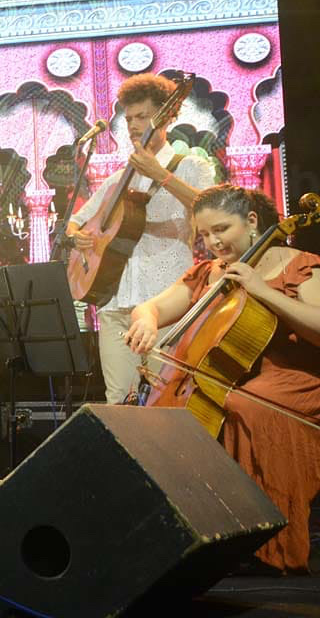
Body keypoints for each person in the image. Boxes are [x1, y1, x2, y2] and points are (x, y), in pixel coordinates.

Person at [124, 184, 320, 574]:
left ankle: (262, 542)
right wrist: (145, 321)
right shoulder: (210, 273)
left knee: (244, 404)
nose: (213, 242)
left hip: (293, 382)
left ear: (252, 221)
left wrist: (262, 290)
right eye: (204, 234)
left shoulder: (299, 265)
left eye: (221, 229)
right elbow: (152, 307)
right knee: (160, 419)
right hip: (232, 381)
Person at [65, 73, 215, 403]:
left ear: (167, 116)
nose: (133, 125)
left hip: (165, 303)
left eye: (142, 117)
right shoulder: (118, 179)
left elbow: (212, 209)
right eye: (129, 118)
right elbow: (74, 223)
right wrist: (78, 238)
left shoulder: (190, 166)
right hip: (116, 302)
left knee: (168, 397)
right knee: (120, 400)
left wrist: (160, 174)